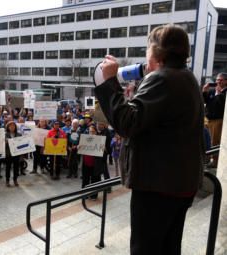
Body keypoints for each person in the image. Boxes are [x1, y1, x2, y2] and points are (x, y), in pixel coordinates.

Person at [95, 24, 204, 254]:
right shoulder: (186, 77)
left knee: (145, 249)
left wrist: (108, 82)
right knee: (168, 247)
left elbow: (126, 122)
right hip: (180, 183)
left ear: (155, 51)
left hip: (159, 187)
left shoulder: (163, 79)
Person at [202, 72, 227, 168]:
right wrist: (204, 91)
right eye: (217, 80)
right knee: (206, 139)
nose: (218, 82)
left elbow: (222, 104)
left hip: (218, 120)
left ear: (226, 81)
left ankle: (215, 160)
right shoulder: (213, 91)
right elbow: (205, 100)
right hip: (208, 118)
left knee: (215, 140)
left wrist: (220, 94)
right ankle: (207, 158)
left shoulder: (224, 92)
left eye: (221, 80)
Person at [78, 125, 104, 200]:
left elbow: (105, 154)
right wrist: (78, 148)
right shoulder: (85, 139)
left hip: (95, 165)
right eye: (90, 131)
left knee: (94, 180)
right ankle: (84, 194)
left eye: (93, 131)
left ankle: (94, 195)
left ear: (96, 132)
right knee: (85, 179)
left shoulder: (100, 140)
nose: (91, 133)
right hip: (86, 163)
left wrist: (104, 150)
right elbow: (80, 151)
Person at [5, 121, 21, 187]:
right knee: (8, 167)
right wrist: (5, 141)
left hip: (16, 154)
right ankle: (7, 180)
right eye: (10, 126)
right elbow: (2, 143)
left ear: (15, 127)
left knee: (16, 167)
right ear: (8, 127)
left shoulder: (19, 134)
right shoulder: (5, 134)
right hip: (8, 154)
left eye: (13, 126)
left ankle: (15, 180)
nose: (12, 127)